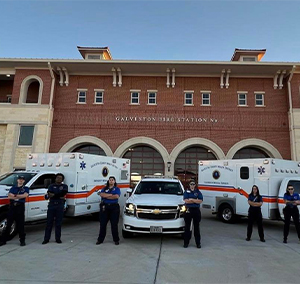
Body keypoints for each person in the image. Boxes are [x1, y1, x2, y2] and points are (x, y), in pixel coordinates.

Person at [0, 175, 29, 247]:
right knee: (8, 224)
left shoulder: (26, 188)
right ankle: (3, 240)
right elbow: (9, 196)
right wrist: (19, 195)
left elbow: (25, 195)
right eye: (19, 179)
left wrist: (15, 196)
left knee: (20, 225)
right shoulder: (13, 188)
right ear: (17, 180)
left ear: (24, 181)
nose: (21, 180)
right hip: (12, 206)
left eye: (22, 179)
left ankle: (22, 240)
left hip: (20, 207)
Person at [42, 173, 68, 244]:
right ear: (55, 178)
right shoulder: (51, 186)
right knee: (49, 223)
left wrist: (55, 195)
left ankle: (58, 238)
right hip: (52, 205)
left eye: (60, 178)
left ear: (62, 179)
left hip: (60, 206)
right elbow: (50, 194)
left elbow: (63, 193)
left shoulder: (64, 186)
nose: (59, 179)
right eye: (57, 178)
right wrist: (58, 195)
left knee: (58, 223)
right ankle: (46, 239)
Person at [96, 176, 120, 245]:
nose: (111, 181)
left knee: (114, 225)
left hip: (114, 208)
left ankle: (116, 240)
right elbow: (101, 194)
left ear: (114, 181)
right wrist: (111, 195)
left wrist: (106, 196)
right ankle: (100, 240)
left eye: (112, 180)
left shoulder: (117, 189)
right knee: (103, 224)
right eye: (110, 180)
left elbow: (116, 196)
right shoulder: (104, 188)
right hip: (104, 207)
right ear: (108, 181)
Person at [183, 180, 203, 248]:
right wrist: (195, 200)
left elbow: (200, 201)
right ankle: (186, 243)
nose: (192, 185)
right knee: (187, 227)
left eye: (193, 184)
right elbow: (186, 201)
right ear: (189, 185)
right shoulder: (186, 191)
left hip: (196, 211)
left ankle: (198, 243)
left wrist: (191, 199)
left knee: (196, 227)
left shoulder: (198, 192)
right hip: (188, 210)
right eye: (191, 184)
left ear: (195, 185)